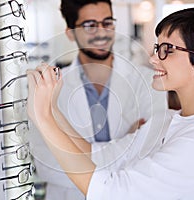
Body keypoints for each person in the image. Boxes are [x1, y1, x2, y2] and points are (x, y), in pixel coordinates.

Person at [27, 7, 194, 199]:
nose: (154, 59)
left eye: (167, 50)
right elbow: (99, 156)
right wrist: (51, 110)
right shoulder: (165, 120)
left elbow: (111, 191)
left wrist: (44, 118)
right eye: (157, 48)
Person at [28, 0, 167, 199]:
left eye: (107, 22)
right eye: (90, 25)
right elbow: (48, 166)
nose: (102, 32)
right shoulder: (48, 87)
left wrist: (75, 156)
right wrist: (125, 145)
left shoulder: (148, 81)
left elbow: (151, 154)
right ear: (70, 32)